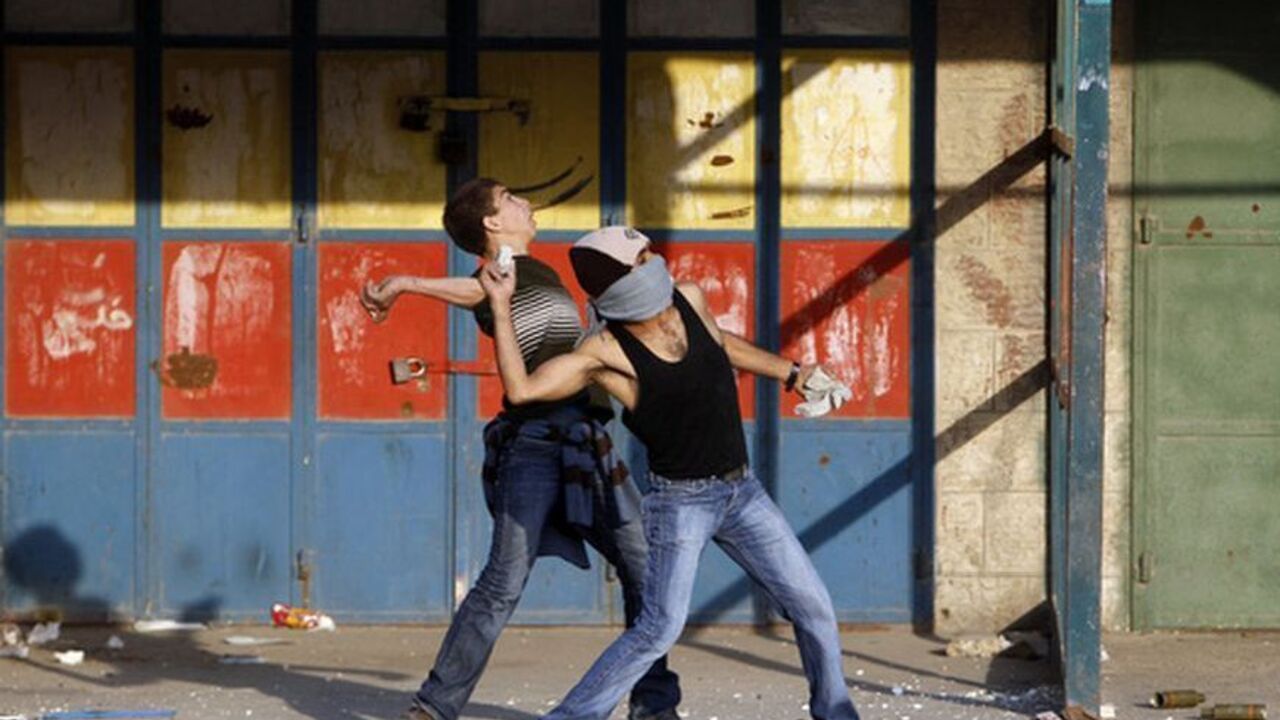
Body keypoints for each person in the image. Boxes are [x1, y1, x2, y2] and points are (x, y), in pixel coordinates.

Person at [477, 225, 861, 720]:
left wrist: (794, 374)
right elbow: (523, 391)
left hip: (742, 492)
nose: (655, 263)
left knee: (813, 606)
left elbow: (721, 344)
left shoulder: (690, 299)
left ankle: (836, 713)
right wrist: (502, 305)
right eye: (642, 259)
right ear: (620, 281)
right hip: (682, 502)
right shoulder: (605, 351)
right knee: (658, 628)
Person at [362, 179, 681, 720]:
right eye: (511, 198)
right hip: (534, 447)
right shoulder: (499, 274)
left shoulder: (540, 271)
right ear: (492, 223)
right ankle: (435, 707)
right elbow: (482, 290)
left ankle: (654, 706)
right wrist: (407, 283)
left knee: (644, 570)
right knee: (503, 581)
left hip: (586, 443)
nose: (525, 203)